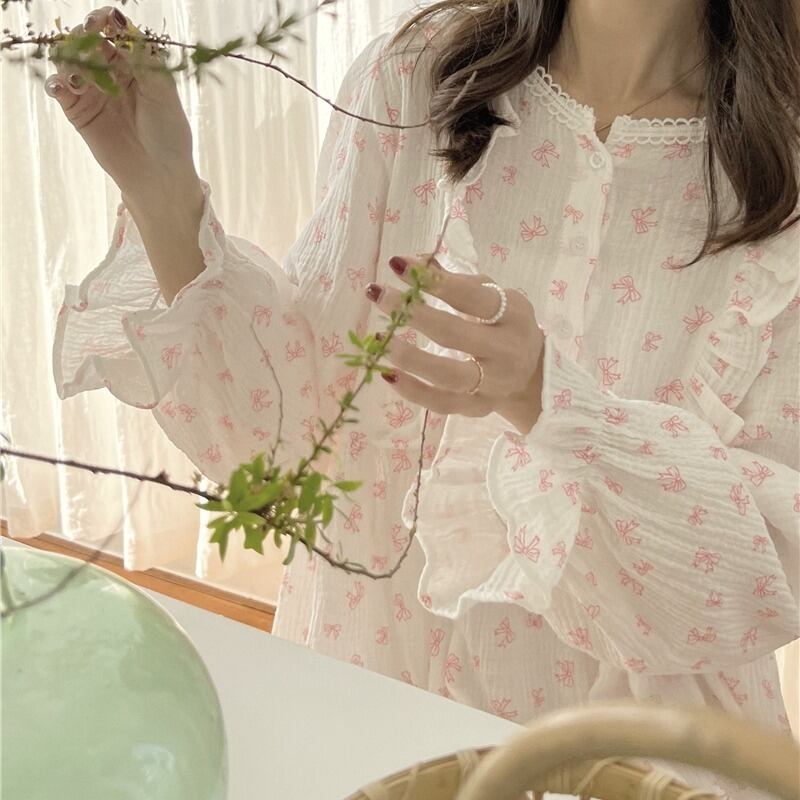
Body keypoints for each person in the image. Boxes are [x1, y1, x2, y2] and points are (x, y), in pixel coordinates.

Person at [47, 2, 798, 794]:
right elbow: (296, 438)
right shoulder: (415, 78)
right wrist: (162, 192)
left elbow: (758, 574)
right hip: (375, 705)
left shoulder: (781, 171)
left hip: (637, 763)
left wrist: (551, 402)